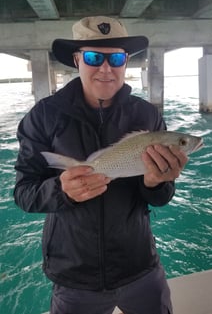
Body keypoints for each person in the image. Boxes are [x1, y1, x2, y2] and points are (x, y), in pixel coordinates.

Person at [14, 16, 188, 314]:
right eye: (94, 57)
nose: (106, 68)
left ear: (125, 63)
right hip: (74, 276)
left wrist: (156, 183)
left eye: (116, 58)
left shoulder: (147, 116)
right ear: (77, 59)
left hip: (140, 267)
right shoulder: (44, 116)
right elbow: (24, 192)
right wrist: (62, 190)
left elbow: (161, 198)